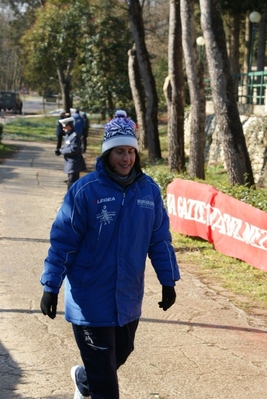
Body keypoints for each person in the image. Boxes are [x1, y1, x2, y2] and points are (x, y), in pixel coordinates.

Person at [40, 110, 180, 399]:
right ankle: (93, 380)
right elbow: (63, 241)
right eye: (119, 151)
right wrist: (51, 286)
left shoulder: (148, 191)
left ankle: (84, 378)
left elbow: (160, 240)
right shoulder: (85, 191)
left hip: (128, 296)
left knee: (121, 352)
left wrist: (169, 282)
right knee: (106, 384)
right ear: (107, 154)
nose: (126, 158)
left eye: (131, 151)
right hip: (90, 299)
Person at [55, 116, 86, 190]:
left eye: (65, 127)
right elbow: (67, 146)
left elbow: (73, 149)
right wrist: (60, 150)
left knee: (72, 182)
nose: (63, 129)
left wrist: (61, 151)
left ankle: (71, 199)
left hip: (74, 163)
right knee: (70, 181)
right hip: (70, 162)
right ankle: (70, 198)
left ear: (69, 126)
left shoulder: (74, 136)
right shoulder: (68, 135)